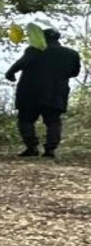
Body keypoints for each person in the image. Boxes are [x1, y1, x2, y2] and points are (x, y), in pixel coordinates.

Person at [5, 26, 82, 158]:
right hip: (56, 93)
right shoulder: (72, 54)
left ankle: (32, 147)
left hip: (30, 92)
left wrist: (10, 74)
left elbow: (19, 64)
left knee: (26, 120)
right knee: (53, 121)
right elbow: (74, 73)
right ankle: (50, 150)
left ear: (42, 38)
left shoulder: (33, 51)